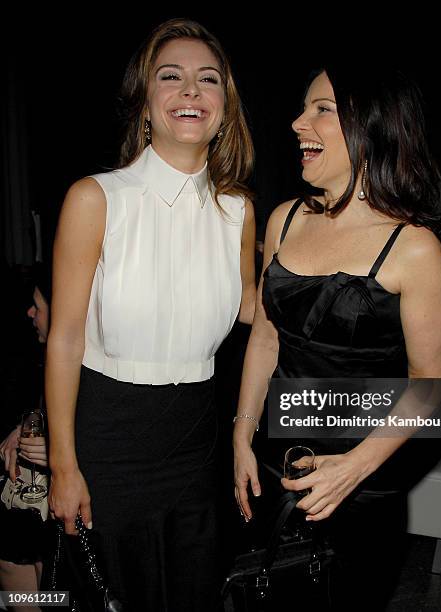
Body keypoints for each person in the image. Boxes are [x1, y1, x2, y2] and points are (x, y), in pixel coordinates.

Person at [45, 18, 255, 611]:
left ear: (224, 106)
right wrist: (64, 464)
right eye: (172, 77)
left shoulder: (239, 210)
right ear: (144, 102)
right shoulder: (95, 198)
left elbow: (254, 313)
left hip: (196, 437)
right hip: (108, 436)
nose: (191, 90)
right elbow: (62, 340)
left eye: (207, 79)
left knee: (192, 594)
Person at [233, 66, 441, 610]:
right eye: (304, 107)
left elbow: (432, 385)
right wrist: (242, 434)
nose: (296, 122)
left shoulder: (414, 248)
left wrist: (353, 468)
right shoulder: (283, 220)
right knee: (274, 590)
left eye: (321, 109)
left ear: (371, 128)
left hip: (367, 472)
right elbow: (265, 335)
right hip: (281, 449)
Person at [0, 276, 50, 612]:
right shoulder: (39, 358)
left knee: (54, 595)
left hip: (67, 515)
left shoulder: (89, 364)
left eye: (39, 306)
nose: (30, 312)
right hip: (29, 512)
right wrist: (20, 429)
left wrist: (61, 453)